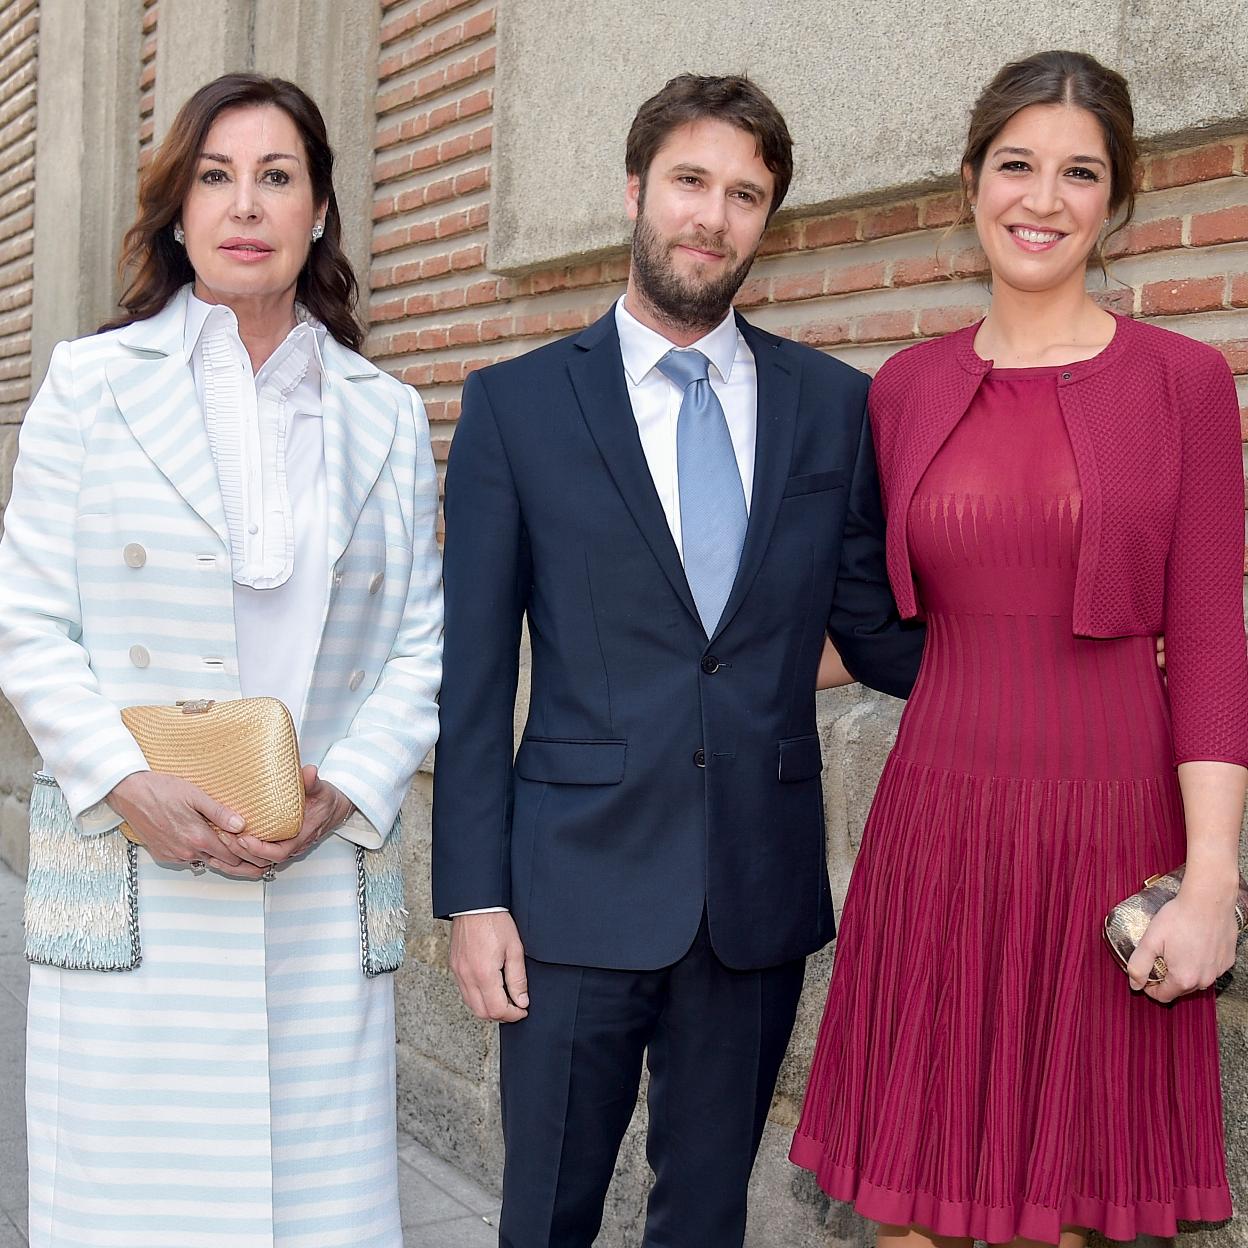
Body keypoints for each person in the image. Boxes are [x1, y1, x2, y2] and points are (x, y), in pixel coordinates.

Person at [432, 73, 924, 1247]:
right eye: (691, 182)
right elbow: (475, 677)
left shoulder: (832, 407)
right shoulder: (516, 407)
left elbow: (873, 632)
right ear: (637, 192)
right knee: (543, 1215)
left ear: (769, 222)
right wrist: (473, 897)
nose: (712, 216)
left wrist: (1053, 648)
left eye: (744, 195)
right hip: (568, 895)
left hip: (752, 897)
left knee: (705, 1221)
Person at [791, 50, 1248, 1248]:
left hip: (1110, 830)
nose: (1042, 199)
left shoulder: (1183, 383)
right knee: (916, 1206)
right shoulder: (905, 388)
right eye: (1018, 166)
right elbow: (872, 621)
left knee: (1085, 1207)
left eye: (1079, 173)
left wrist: (1210, 885)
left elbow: (1206, 642)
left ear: (1116, 203)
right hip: (937, 832)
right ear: (970, 183)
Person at [0, 74, 442, 1248]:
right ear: (179, 212)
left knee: (314, 1210)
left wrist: (343, 786)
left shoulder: (383, 413)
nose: (245, 204)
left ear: (319, 213)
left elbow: (419, 644)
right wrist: (124, 782)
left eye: (277, 176)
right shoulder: (91, 387)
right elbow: (28, 618)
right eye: (216, 175)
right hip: (138, 864)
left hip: (311, 861)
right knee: (138, 1211)